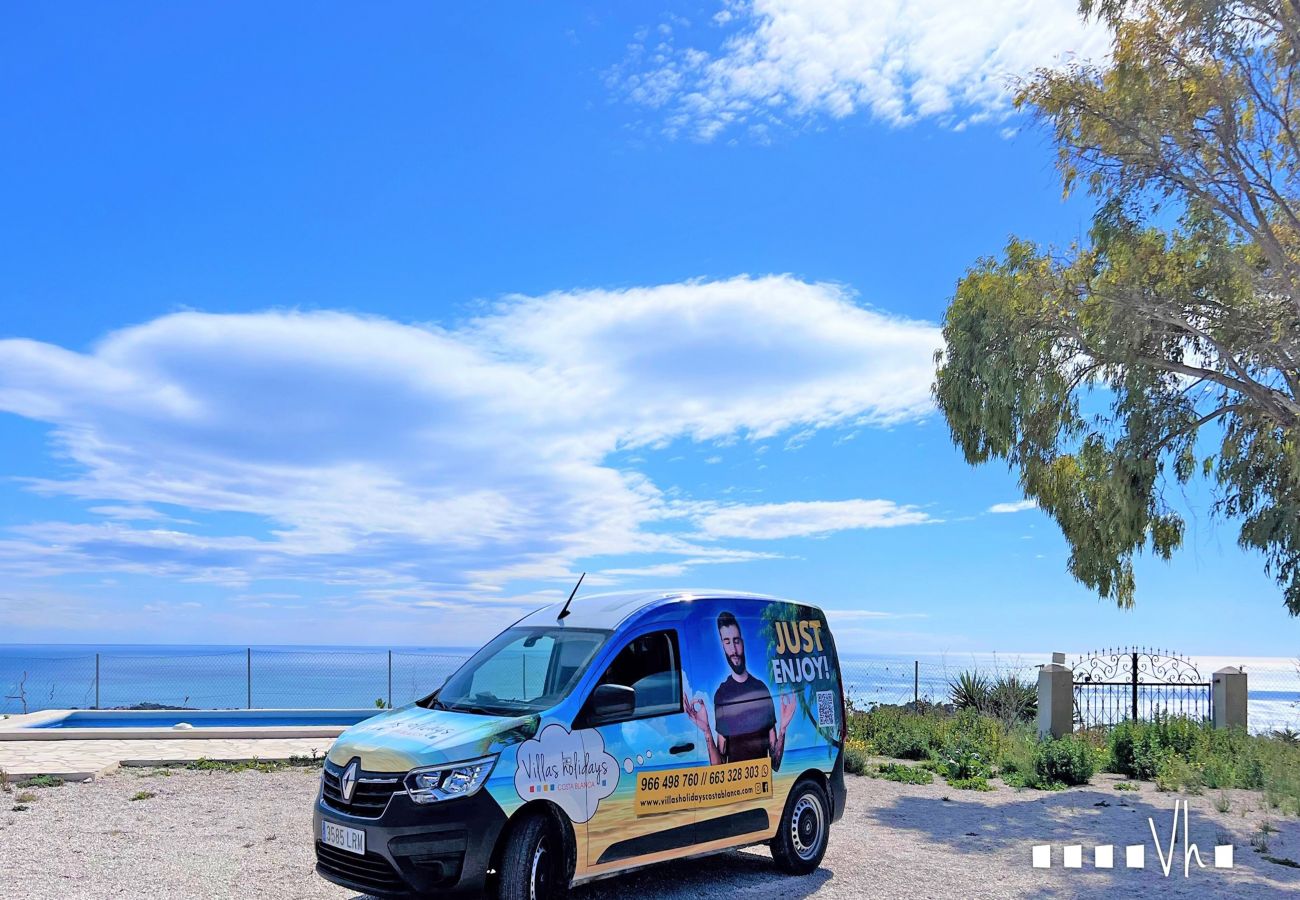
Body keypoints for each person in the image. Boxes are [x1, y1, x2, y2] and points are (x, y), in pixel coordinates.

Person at [684, 611, 796, 769]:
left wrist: (783, 728)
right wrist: (707, 731)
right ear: (722, 645)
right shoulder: (722, 695)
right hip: (736, 789)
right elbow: (720, 766)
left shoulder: (761, 690)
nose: (734, 650)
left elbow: (774, 763)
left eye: (736, 641)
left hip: (760, 786)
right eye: (727, 642)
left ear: (743, 642)